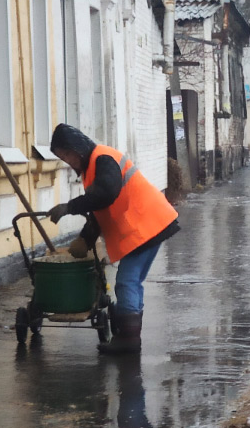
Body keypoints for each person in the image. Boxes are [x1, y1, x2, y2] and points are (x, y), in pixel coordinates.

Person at [47, 124, 180, 354]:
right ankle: (130, 335)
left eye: (66, 154)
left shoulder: (103, 159)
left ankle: (128, 340)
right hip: (150, 223)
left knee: (126, 282)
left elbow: (106, 194)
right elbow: (101, 210)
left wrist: (70, 206)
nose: (67, 160)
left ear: (77, 148)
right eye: (62, 157)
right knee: (133, 282)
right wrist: (85, 239)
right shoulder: (93, 169)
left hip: (144, 226)